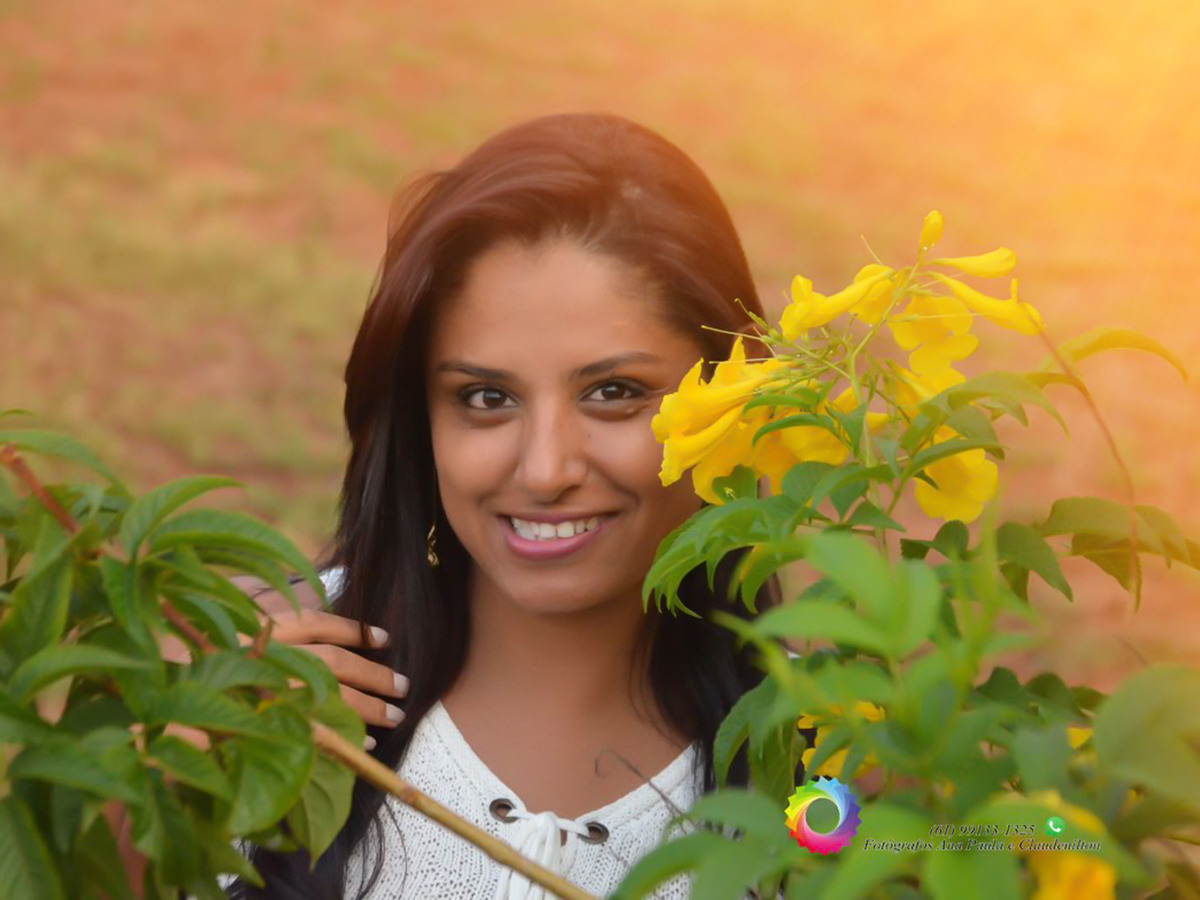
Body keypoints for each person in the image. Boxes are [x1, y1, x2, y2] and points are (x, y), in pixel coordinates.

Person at [223, 112, 797, 899]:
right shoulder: (249, 682)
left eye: (614, 393)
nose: (546, 469)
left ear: (734, 398)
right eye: (486, 398)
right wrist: (168, 744)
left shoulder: (830, 762)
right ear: (420, 418)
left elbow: (984, 835)